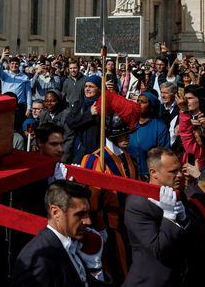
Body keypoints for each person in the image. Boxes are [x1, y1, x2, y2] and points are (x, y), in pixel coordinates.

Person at [11, 180, 108, 286]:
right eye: (80, 214)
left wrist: (96, 269)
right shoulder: (37, 261)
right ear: (55, 213)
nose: (88, 221)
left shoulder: (69, 244)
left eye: (87, 213)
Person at [80, 110, 138, 283]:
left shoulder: (129, 157)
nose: (127, 138)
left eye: (128, 134)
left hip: (130, 223)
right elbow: (91, 200)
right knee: (115, 270)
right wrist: (99, 227)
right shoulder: (95, 159)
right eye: (122, 134)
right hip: (108, 226)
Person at [122, 147, 188, 287]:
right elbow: (159, 249)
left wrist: (184, 220)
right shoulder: (137, 204)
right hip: (149, 282)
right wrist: (169, 217)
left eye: (180, 169)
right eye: (173, 171)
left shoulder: (177, 195)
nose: (180, 175)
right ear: (154, 173)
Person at [128, 91, 170, 179]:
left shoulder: (160, 127)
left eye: (143, 102)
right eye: (138, 101)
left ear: (151, 107)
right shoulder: (129, 122)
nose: (139, 104)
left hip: (150, 176)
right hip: (129, 173)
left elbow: (164, 154)